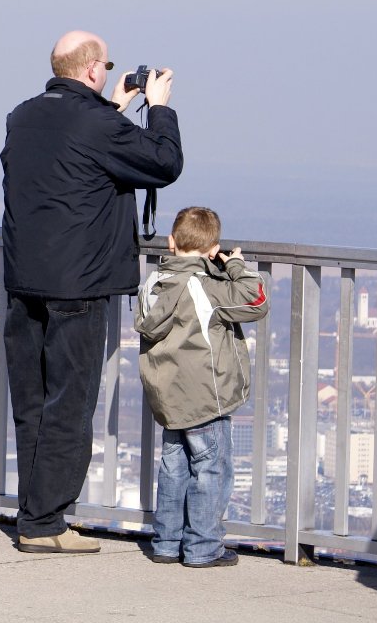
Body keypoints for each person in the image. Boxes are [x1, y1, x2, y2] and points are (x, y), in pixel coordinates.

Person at [0, 30, 183, 554]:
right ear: (91, 69)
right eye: (107, 63)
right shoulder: (98, 121)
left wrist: (115, 104)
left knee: (32, 403)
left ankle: (33, 513)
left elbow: (78, 150)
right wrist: (160, 108)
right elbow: (164, 164)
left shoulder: (23, 115)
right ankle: (44, 525)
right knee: (69, 404)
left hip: (23, 279)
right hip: (78, 284)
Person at [135, 206, 268, 567]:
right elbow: (255, 300)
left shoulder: (153, 284)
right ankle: (202, 547)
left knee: (174, 467)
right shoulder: (206, 288)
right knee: (211, 470)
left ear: (171, 242)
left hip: (168, 395)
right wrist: (235, 265)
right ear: (213, 249)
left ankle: (166, 542)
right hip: (205, 396)